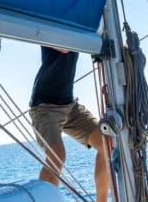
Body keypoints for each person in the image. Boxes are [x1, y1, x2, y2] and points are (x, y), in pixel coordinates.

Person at [29, 46, 109, 202]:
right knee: (57, 155)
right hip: (44, 107)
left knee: (106, 142)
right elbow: (65, 47)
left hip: (69, 106)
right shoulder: (51, 27)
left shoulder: (76, 27)